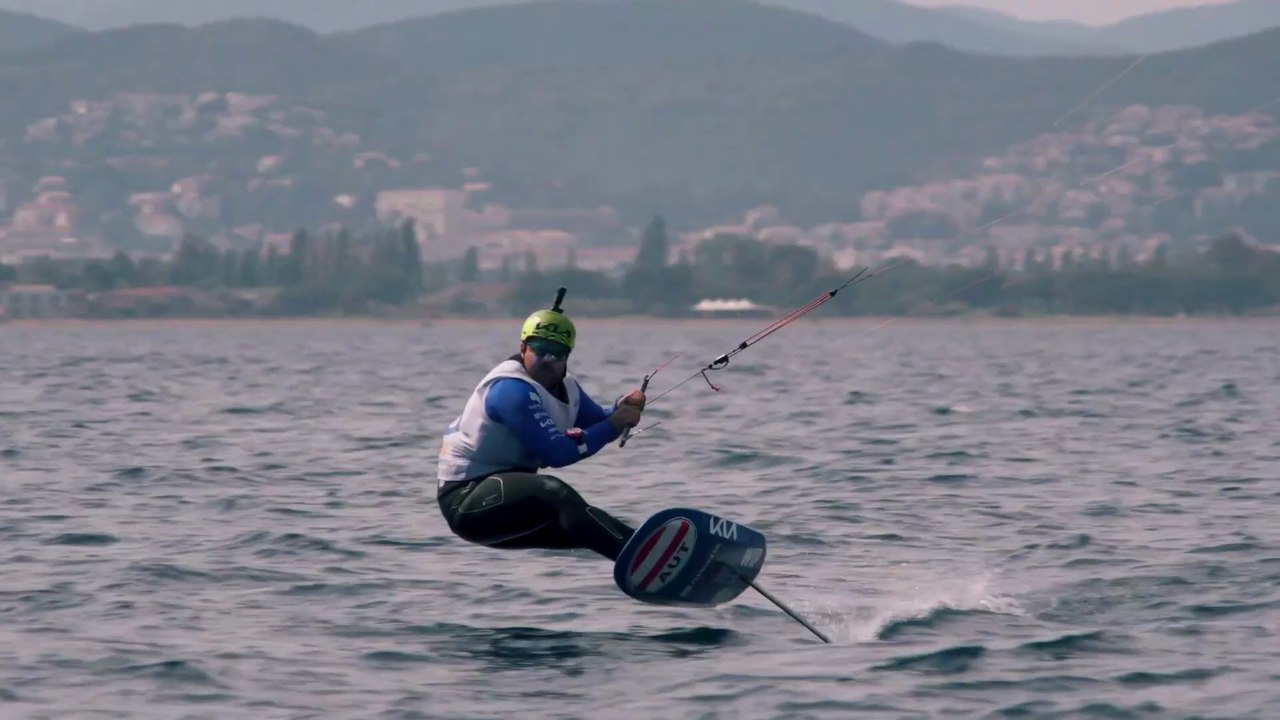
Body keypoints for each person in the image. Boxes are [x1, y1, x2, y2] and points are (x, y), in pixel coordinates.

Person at [436, 288, 645, 562]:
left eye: (557, 353)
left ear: (567, 357)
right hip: (468, 503)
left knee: (586, 525)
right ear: (523, 348)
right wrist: (614, 423)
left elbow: (601, 423)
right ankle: (641, 558)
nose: (548, 360)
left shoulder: (568, 388)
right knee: (555, 493)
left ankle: (652, 554)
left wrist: (622, 409)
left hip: (509, 499)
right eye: (540, 350)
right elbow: (556, 454)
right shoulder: (510, 391)